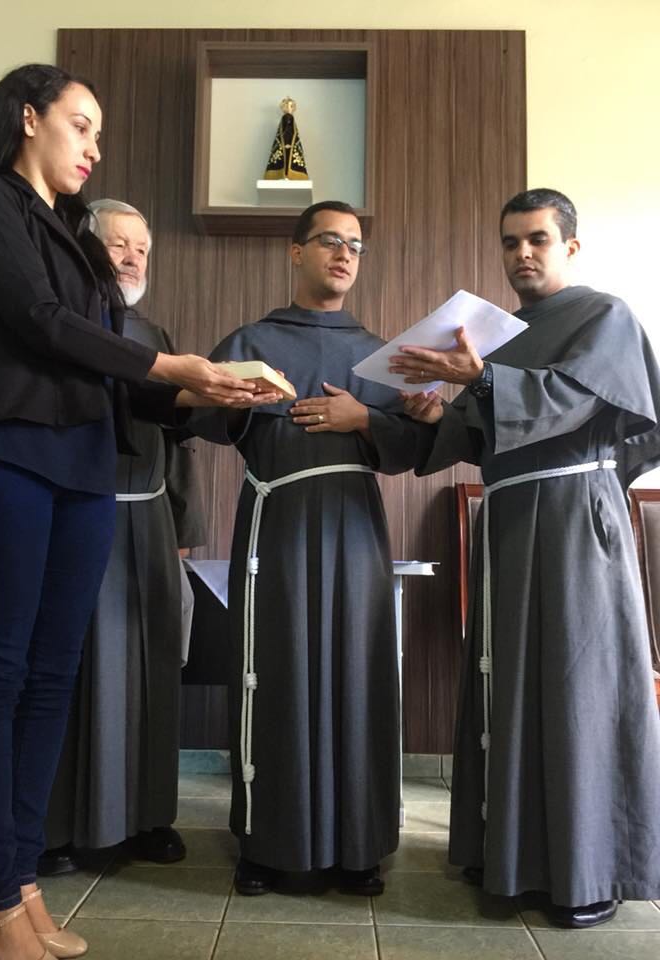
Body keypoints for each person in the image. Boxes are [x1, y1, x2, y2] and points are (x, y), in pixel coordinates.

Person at [0, 63, 275, 960]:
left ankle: (20, 881)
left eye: (98, 133)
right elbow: (42, 322)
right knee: (1, 670)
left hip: (85, 467)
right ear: (27, 117)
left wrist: (218, 389)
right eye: (81, 124)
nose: (94, 146)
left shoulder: (76, 238)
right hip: (4, 450)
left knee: (53, 674)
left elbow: (117, 380)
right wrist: (172, 366)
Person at [388, 188, 660, 927]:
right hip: (508, 519)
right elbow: (476, 435)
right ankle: (506, 857)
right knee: (506, 681)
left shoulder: (603, 316)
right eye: (510, 242)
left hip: (574, 517)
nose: (522, 254)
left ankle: (585, 873)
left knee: (579, 687)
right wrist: (435, 412)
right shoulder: (499, 336)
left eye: (537, 239)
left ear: (571, 246)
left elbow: (568, 401)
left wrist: (475, 379)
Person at [189, 200, 411, 897]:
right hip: (277, 525)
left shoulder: (381, 355)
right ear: (296, 251)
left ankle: (358, 846)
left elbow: (415, 444)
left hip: (353, 530)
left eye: (355, 245)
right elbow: (203, 418)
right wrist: (237, 398)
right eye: (329, 241)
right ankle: (267, 843)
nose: (344, 254)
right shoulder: (253, 339)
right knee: (275, 671)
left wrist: (364, 416)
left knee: (357, 671)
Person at [40, 199, 207, 874]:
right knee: (69, 671)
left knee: (151, 670)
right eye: (119, 244)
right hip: (74, 515)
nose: (134, 258)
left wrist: (183, 527)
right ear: (84, 247)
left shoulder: (155, 333)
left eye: (142, 248)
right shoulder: (58, 324)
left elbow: (176, 442)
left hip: (150, 521)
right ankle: (54, 828)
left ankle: (146, 819)